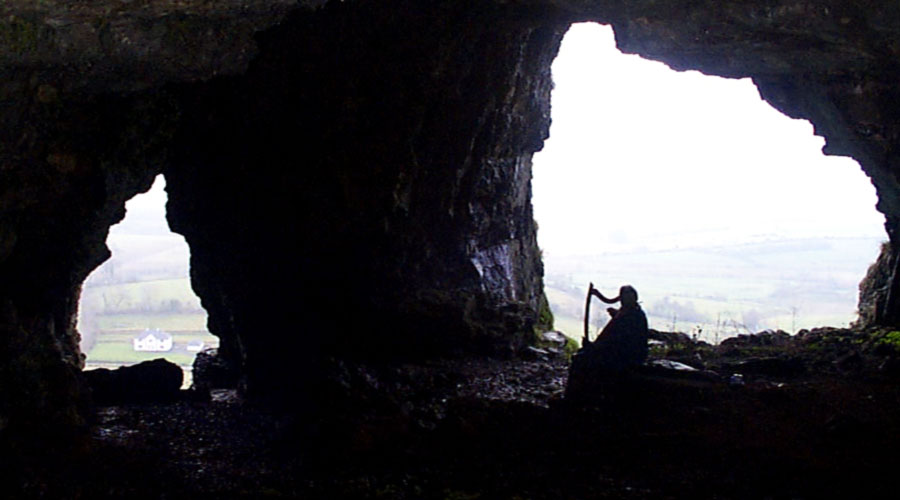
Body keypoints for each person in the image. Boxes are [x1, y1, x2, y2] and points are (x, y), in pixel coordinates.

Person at [583, 284, 648, 372]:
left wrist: (596, 346)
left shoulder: (635, 316)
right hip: (623, 351)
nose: (626, 300)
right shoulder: (632, 312)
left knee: (585, 359)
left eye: (629, 297)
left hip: (628, 356)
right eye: (625, 297)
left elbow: (618, 339)